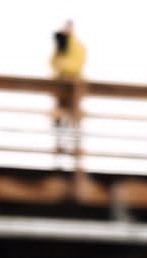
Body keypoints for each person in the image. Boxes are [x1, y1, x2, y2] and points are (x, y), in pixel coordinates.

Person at [49, 20, 86, 160]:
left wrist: (62, 66)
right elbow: (53, 63)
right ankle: (59, 145)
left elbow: (76, 65)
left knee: (73, 117)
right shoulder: (60, 46)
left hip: (72, 87)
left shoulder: (78, 46)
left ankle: (73, 147)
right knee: (58, 117)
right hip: (60, 87)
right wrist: (59, 48)